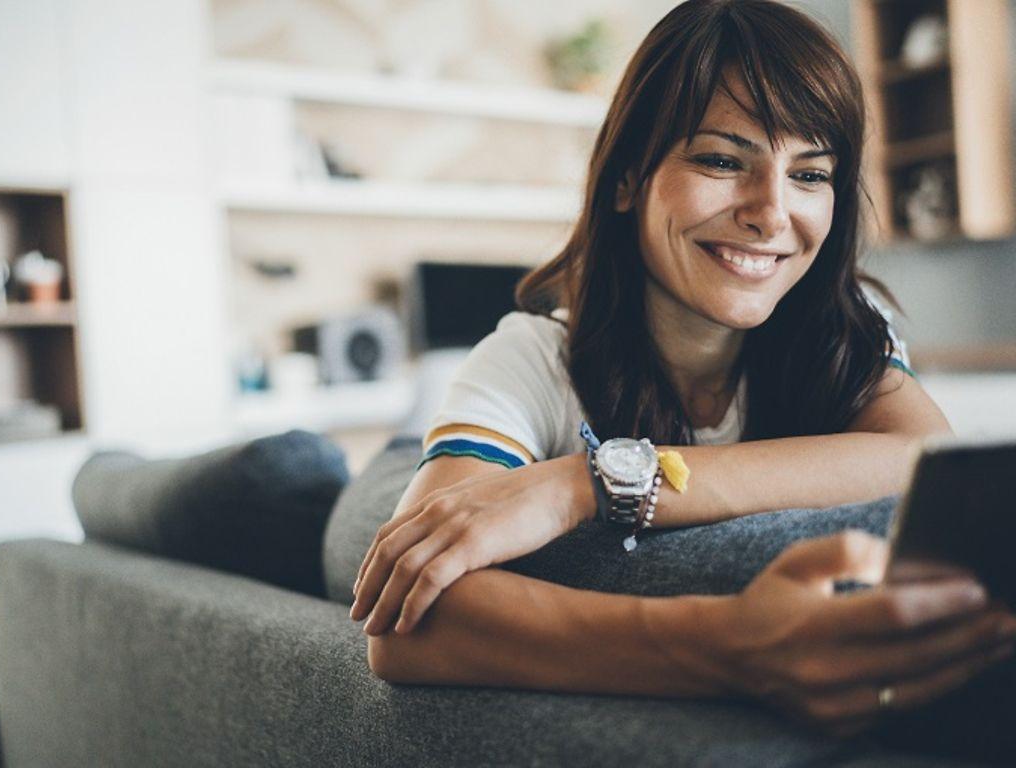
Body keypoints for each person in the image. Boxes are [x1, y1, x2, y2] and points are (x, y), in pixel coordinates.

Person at [350, 0, 1016, 747]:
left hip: (552, 468)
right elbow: (406, 629)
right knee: (359, 507)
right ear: (630, 177)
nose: (772, 212)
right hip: (410, 466)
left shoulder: (844, 326)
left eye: (811, 173)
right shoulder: (531, 355)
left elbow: (915, 455)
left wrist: (587, 483)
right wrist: (731, 643)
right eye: (723, 160)